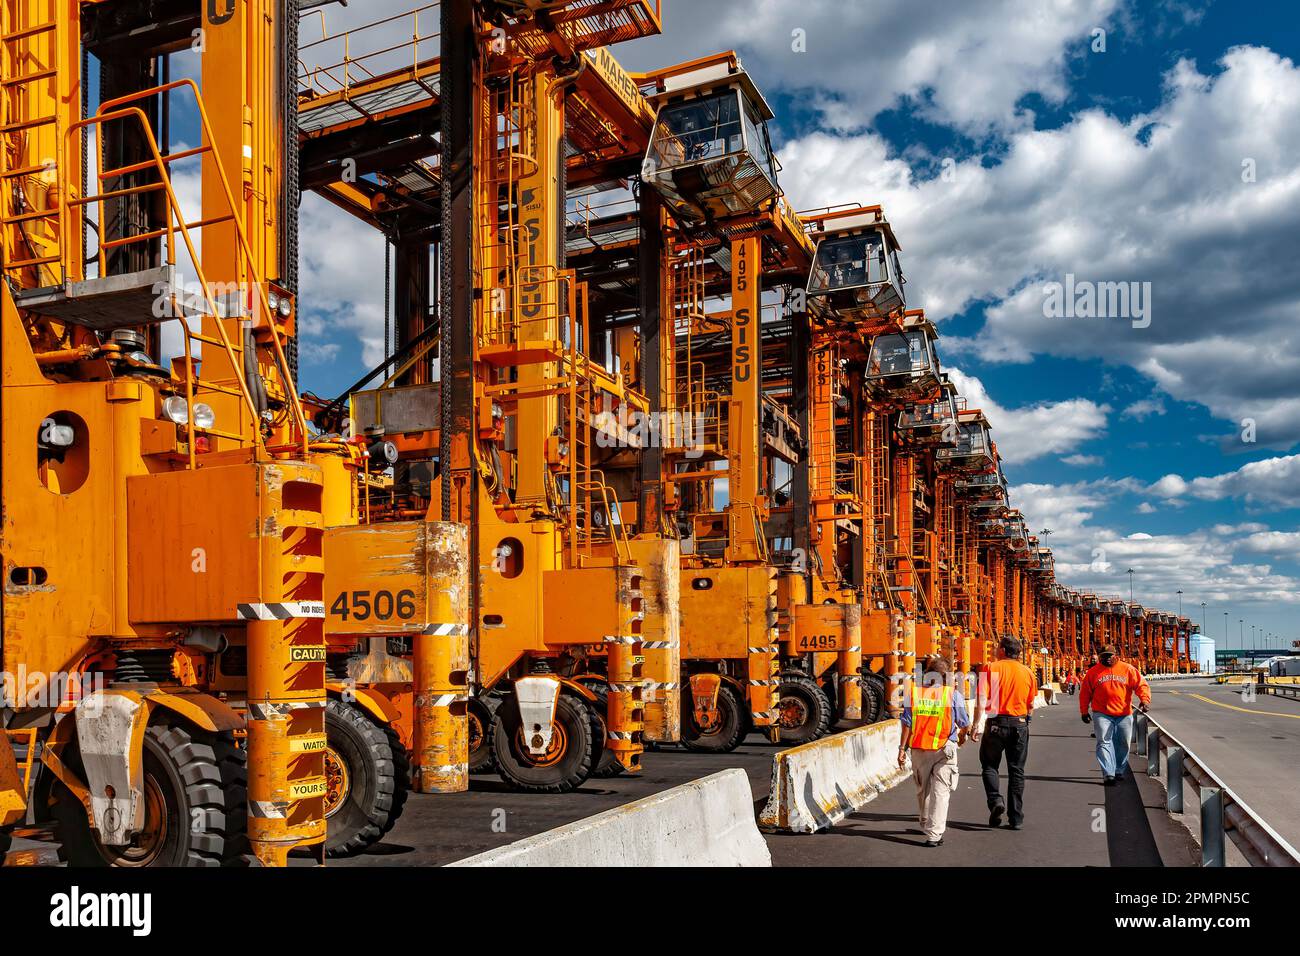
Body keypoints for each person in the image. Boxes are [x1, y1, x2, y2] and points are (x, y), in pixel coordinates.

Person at [897, 656, 970, 847]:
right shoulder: (953, 695)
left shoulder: (913, 693)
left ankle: (925, 823)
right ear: (946, 677)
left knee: (923, 789)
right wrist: (962, 737)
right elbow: (964, 723)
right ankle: (934, 834)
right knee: (941, 791)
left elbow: (906, 723)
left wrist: (901, 749)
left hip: (919, 749)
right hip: (944, 748)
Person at [971, 636, 1038, 830]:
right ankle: (1016, 817)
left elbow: (981, 698)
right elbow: (1031, 704)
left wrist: (976, 724)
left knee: (989, 766)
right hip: (1019, 724)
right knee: (1016, 771)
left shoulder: (990, 668)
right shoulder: (1028, 672)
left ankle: (995, 801)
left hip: (995, 723)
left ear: (1002, 650)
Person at [1080, 645, 1151, 785]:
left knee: (1123, 743)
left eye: (1109, 656)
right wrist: (1084, 711)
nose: (1106, 659)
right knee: (1104, 742)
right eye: (1103, 656)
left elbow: (1141, 685)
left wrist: (1144, 700)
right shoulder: (1093, 672)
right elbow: (1085, 693)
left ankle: (1119, 769)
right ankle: (1109, 773)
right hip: (1101, 713)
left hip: (1124, 713)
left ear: (1115, 655)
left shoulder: (1128, 669)